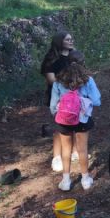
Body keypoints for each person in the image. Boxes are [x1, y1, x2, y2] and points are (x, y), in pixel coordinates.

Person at [50, 51, 101, 191]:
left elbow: (53, 106)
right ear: (83, 64)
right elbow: (96, 101)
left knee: (65, 150)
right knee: (82, 150)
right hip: (82, 120)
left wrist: (59, 114)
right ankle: (85, 179)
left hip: (64, 120)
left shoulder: (59, 81)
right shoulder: (87, 80)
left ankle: (66, 181)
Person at [41, 31, 74, 172]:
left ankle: (72, 152)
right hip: (57, 97)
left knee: (74, 125)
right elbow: (51, 80)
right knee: (59, 127)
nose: (71, 41)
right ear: (60, 41)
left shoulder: (74, 55)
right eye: (68, 39)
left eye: (72, 39)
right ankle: (57, 157)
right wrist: (69, 82)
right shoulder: (51, 59)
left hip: (74, 97)